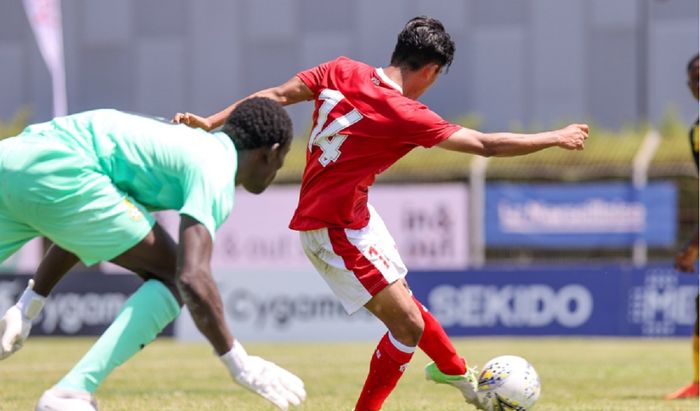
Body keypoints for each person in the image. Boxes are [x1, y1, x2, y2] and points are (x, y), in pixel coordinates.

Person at [175, 16, 588, 411]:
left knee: (407, 307)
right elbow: (486, 145)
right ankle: (432, 383)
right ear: (429, 70)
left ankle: (456, 373)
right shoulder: (406, 113)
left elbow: (275, 97)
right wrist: (555, 136)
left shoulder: (340, 69)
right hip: (332, 228)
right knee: (407, 325)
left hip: (355, 215)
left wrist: (211, 122)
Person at [0, 98, 306, 410]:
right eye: (282, 159)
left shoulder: (181, 143)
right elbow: (191, 277)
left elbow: (78, 226)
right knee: (171, 279)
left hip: (16, 155)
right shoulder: (215, 168)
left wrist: (28, 306)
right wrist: (239, 362)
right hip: (65, 171)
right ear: (272, 152)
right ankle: (70, 394)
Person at [665, 53, 699, 400]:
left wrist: (692, 247)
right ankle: (698, 382)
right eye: (695, 78)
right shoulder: (696, 132)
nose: (699, 84)